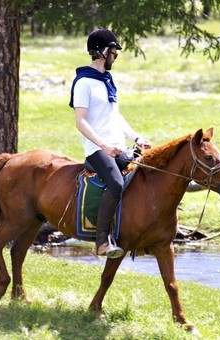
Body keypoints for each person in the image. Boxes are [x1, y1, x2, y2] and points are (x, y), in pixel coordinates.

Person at [69, 27, 151, 258]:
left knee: (141, 170)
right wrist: (104, 145)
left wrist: (136, 138)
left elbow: (115, 116)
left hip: (117, 147)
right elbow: (80, 122)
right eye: (114, 51)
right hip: (97, 150)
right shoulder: (83, 83)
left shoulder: (107, 80)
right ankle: (102, 241)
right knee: (115, 183)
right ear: (102, 52)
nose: (116, 55)